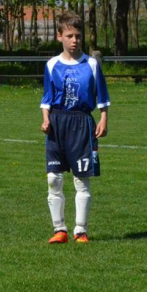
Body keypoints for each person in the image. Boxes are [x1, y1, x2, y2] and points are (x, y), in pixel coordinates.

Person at [40, 12, 110, 244]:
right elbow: (47, 97)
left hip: (82, 124)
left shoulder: (91, 64)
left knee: (82, 179)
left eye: (78, 36)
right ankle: (59, 229)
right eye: (69, 35)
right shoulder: (51, 65)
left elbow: (102, 94)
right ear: (59, 36)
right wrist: (45, 118)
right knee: (53, 179)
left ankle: (80, 230)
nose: (74, 40)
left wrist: (103, 119)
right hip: (57, 124)